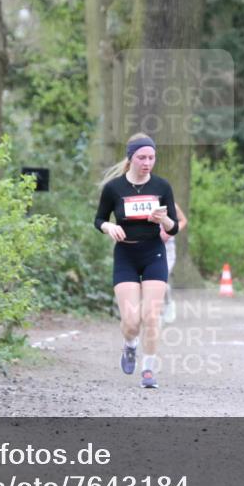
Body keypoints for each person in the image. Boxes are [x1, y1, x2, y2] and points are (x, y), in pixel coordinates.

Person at [95, 133, 179, 388]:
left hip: (154, 253)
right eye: (142, 157)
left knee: (151, 316)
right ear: (130, 158)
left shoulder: (162, 187)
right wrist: (109, 227)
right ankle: (130, 345)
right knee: (131, 321)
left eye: (152, 158)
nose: (147, 163)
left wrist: (163, 220)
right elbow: (99, 219)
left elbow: (174, 227)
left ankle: (149, 370)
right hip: (126, 255)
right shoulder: (114, 188)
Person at [160, 203, 188, 324]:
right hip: (149, 247)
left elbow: (183, 220)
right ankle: (158, 311)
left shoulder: (171, 204)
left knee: (162, 279)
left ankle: (167, 305)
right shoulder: (144, 200)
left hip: (168, 249)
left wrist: (170, 232)